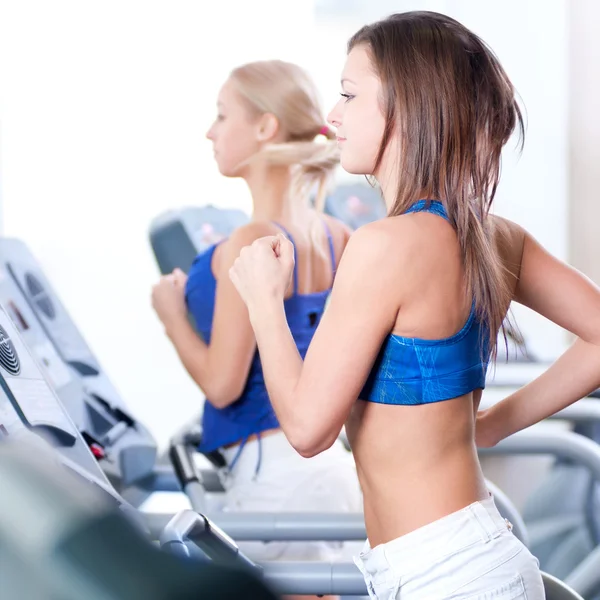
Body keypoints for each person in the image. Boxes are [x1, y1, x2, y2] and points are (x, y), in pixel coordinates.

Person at [229, 11, 600, 599]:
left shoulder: (382, 247)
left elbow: (306, 430)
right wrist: (493, 426)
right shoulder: (493, 235)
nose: (333, 115)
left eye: (349, 95)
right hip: (470, 559)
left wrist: (263, 300)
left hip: (446, 575)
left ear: (408, 107)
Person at [151, 59, 362, 600]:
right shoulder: (338, 235)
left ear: (266, 127)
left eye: (222, 116)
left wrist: (173, 318)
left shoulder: (252, 237)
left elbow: (224, 384)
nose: (210, 131)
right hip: (330, 474)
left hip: (274, 482)